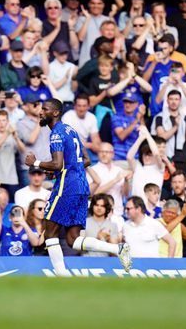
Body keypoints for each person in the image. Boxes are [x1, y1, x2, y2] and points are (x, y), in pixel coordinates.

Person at [24, 98, 130, 276]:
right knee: (73, 239)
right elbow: (86, 160)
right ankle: (117, 248)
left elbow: (57, 164)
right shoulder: (71, 130)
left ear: (56, 112)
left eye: (45, 109)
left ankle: (62, 276)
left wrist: (36, 163)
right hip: (82, 186)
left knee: (50, 232)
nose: (40, 112)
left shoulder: (56, 132)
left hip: (67, 187)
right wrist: (60, 170)